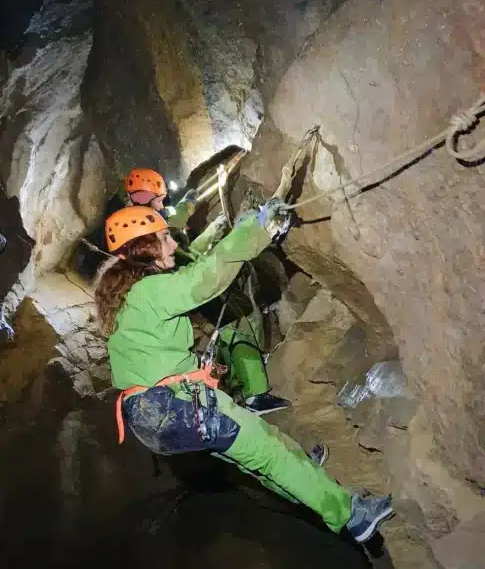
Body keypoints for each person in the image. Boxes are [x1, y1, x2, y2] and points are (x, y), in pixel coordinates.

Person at [94, 201, 394, 545]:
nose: (174, 244)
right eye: (164, 238)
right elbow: (202, 279)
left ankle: (310, 482)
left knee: (259, 460)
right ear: (143, 247)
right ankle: (352, 515)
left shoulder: (124, 297)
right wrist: (256, 230)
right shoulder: (148, 291)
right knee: (270, 452)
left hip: (150, 418)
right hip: (176, 407)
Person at [123, 167, 291, 417]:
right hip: (189, 287)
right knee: (236, 322)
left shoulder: (143, 224)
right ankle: (254, 394)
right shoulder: (146, 229)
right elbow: (189, 258)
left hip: (186, 285)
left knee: (232, 324)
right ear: (143, 197)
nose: (162, 203)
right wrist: (238, 232)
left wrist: (207, 224)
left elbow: (184, 246)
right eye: (158, 198)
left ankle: (240, 380)